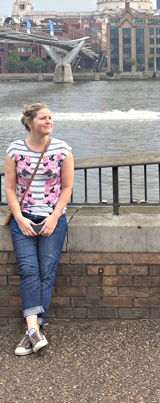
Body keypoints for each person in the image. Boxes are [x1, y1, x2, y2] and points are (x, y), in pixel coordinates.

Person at [4, 103, 74, 356]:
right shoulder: (14, 149)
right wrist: (20, 218)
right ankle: (34, 330)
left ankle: (31, 332)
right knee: (28, 270)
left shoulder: (62, 149)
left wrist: (54, 217)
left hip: (52, 220)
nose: (49, 121)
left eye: (51, 118)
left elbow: (66, 188)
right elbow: (10, 189)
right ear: (30, 122)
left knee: (47, 271)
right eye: (43, 118)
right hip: (23, 218)